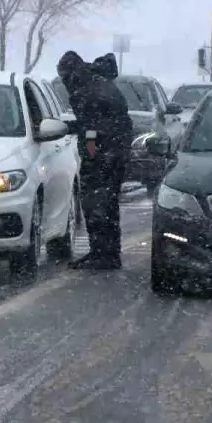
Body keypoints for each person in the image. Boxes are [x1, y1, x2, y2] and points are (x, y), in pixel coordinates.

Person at [56, 50, 132, 270]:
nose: (64, 81)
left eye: (64, 76)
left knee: (96, 203)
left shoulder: (86, 90)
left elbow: (91, 129)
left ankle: (102, 254)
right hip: (115, 149)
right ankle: (108, 253)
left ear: (71, 72)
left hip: (104, 153)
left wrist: (91, 155)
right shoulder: (98, 82)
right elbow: (96, 123)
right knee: (107, 203)